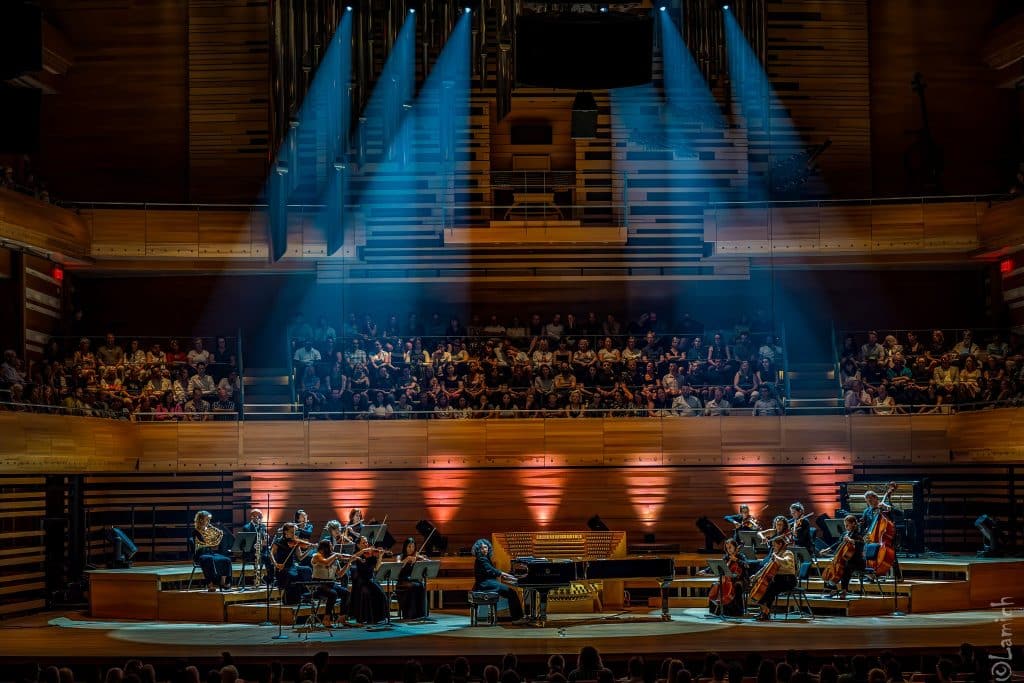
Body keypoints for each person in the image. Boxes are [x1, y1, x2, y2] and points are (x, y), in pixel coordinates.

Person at [471, 538, 525, 623]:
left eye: (485, 547)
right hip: (485, 584)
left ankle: (517, 617)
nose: (484, 549)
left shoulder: (485, 558)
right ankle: (517, 618)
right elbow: (493, 571)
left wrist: (508, 576)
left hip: (488, 583)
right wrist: (509, 576)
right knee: (512, 592)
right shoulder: (482, 559)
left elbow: (493, 572)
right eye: (481, 548)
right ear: (478, 549)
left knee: (511, 592)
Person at [751, 535, 797, 620]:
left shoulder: (788, 553)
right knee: (771, 587)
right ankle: (765, 612)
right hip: (779, 580)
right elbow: (766, 568)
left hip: (788, 580)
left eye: (774, 545)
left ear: (780, 544)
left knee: (771, 587)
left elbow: (787, 562)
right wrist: (756, 576)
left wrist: (777, 557)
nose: (773, 547)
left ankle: (763, 607)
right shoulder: (775, 554)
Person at [822, 514, 865, 600]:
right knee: (830, 568)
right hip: (846, 559)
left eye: (847, 525)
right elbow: (838, 543)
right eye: (845, 525)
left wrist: (852, 541)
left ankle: (844, 591)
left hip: (856, 561)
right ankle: (833, 589)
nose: (846, 527)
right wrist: (828, 549)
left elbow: (861, 544)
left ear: (854, 524)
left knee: (846, 569)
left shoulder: (858, 534)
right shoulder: (845, 534)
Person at [270, 522, 314, 604]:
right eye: (292, 532)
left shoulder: (295, 542)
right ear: (285, 532)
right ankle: (292, 598)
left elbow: (300, 557)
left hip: (292, 566)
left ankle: (305, 593)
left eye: (294, 532)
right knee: (292, 574)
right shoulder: (278, 542)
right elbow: (271, 554)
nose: (294, 534)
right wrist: (276, 564)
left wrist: (309, 549)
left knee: (307, 570)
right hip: (282, 568)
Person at [310, 539, 351, 627]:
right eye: (330, 545)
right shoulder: (316, 556)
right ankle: (326, 618)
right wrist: (336, 555)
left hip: (330, 583)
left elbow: (339, 574)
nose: (332, 547)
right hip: (318, 583)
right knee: (333, 594)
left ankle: (342, 617)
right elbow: (325, 562)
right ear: (325, 548)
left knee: (346, 593)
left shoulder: (333, 558)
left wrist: (348, 563)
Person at [349, 535, 389, 624]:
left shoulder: (371, 554)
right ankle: (367, 618)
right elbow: (351, 558)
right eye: (363, 543)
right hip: (361, 580)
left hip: (371, 579)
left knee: (381, 594)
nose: (366, 544)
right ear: (358, 545)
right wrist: (362, 551)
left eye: (366, 542)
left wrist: (380, 557)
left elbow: (376, 568)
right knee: (368, 594)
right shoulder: (357, 554)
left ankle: (378, 618)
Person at [192, 511, 231, 592]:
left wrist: (218, 535)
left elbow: (213, 544)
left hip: (209, 552)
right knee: (208, 560)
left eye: (209, 520)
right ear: (201, 520)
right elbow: (205, 541)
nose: (209, 522)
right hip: (200, 554)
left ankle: (223, 582)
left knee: (226, 559)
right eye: (207, 520)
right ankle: (210, 584)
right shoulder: (196, 531)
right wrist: (211, 538)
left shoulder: (209, 529)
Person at [709, 538, 749, 617]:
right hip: (728, 580)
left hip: (740, 580)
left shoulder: (741, 556)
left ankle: (737, 612)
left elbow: (747, 565)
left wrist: (736, 560)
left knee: (737, 586)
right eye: (727, 548)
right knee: (715, 584)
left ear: (735, 547)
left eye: (730, 547)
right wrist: (705, 570)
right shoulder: (726, 557)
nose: (728, 550)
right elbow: (719, 566)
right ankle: (716, 610)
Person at [396, 537, 428, 621]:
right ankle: (410, 614)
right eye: (409, 547)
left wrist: (423, 559)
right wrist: (407, 559)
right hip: (402, 582)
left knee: (420, 586)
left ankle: (420, 614)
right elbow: (398, 566)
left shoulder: (416, 556)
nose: (411, 549)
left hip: (413, 580)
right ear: (405, 547)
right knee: (413, 586)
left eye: (413, 547)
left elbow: (428, 562)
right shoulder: (400, 556)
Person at [241, 509, 271, 585]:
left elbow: (265, 539)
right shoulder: (246, 527)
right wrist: (255, 545)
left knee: (270, 558)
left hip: (262, 551)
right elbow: (244, 544)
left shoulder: (263, 526)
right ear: (252, 517)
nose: (260, 518)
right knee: (261, 557)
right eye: (259, 516)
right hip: (250, 552)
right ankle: (256, 579)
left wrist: (266, 539)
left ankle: (269, 580)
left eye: (261, 516)